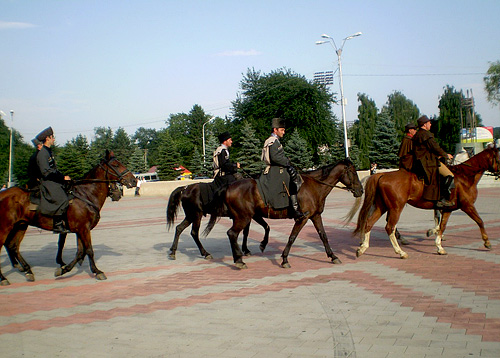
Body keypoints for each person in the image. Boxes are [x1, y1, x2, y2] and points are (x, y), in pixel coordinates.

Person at [261, 118, 305, 220]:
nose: (284, 132)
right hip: (276, 170)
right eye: (282, 130)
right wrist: (287, 162)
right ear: (275, 130)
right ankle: (294, 210)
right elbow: (275, 157)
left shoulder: (275, 141)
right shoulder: (272, 141)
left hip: (278, 168)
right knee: (293, 182)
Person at [412, 115, 454, 208]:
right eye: (429, 123)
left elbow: (425, 150)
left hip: (420, 162)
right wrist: (446, 155)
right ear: (424, 125)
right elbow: (435, 147)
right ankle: (442, 199)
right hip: (428, 163)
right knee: (449, 175)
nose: (430, 124)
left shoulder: (417, 135)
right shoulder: (426, 135)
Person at [35, 127, 71, 233]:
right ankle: (57, 224)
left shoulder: (48, 152)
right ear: (47, 138)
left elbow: (54, 170)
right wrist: (62, 178)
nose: (54, 139)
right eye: (52, 137)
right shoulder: (43, 154)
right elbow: (46, 172)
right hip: (48, 182)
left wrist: (63, 176)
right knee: (63, 200)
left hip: (52, 179)